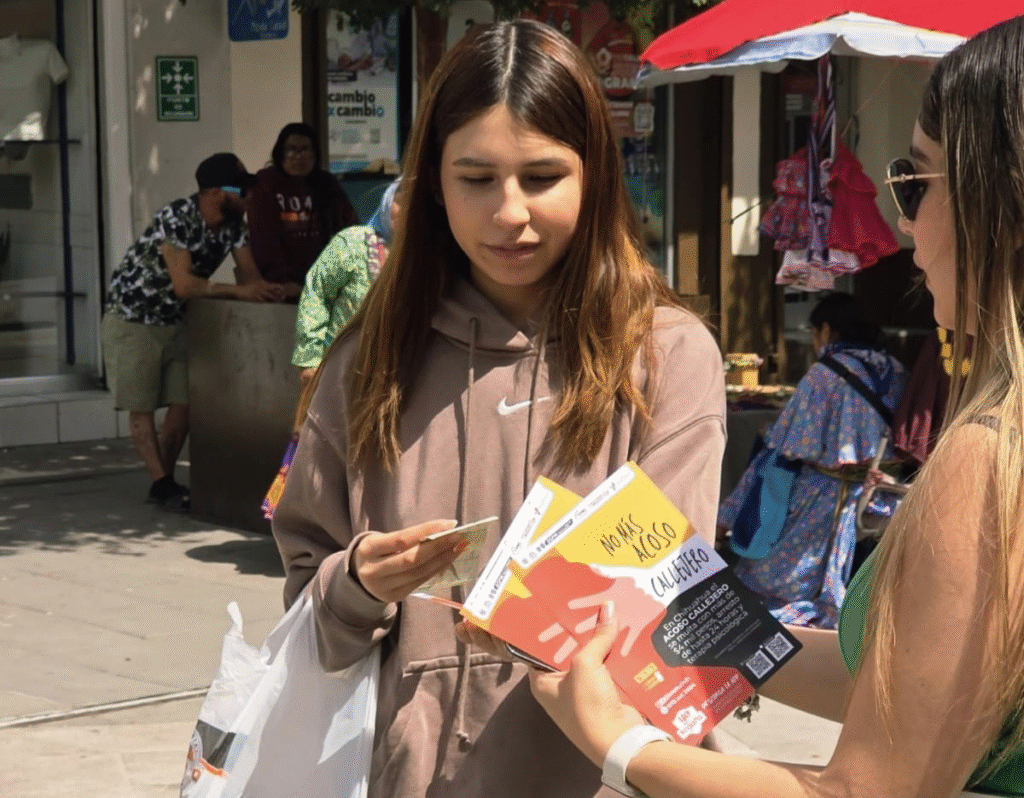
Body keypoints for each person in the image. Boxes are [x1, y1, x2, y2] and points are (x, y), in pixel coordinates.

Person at [529, 15, 1024, 798]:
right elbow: (903, 688)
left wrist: (620, 745)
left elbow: (869, 790)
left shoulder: (991, 457)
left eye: (916, 181)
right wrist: (712, 634)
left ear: (1000, 208)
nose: (903, 219)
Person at [270, 19, 725, 798]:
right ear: (431, 184)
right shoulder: (368, 361)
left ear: (594, 177)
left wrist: (545, 618)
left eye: (542, 177)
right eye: (476, 178)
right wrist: (359, 584)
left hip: (609, 774)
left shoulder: (666, 355)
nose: (509, 213)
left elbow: (670, 602)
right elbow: (309, 605)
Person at [102, 153, 283, 510]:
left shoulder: (234, 225)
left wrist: (269, 294)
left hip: (176, 320)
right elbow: (184, 284)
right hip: (134, 318)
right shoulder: (177, 217)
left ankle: (164, 480)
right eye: (240, 190)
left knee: (184, 401)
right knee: (141, 406)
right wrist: (239, 292)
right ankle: (162, 483)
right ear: (215, 192)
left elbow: (249, 277)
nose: (247, 197)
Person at [716, 291, 907, 628]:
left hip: (824, 497)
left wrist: (773, 431)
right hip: (879, 497)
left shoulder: (825, 373)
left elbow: (793, 445)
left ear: (827, 330)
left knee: (777, 581)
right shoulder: (895, 368)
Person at [291, 177, 400, 387]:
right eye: (401, 201)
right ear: (387, 203)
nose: (408, 210)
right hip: (339, 374)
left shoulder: (430, 260)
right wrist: (310, 360)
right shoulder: (353, 243)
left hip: (397, 379)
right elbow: (317, 292)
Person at [245, 122, 358, 297]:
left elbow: (348, 228)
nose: (299, 157)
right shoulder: (265, 184)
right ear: (280, 153)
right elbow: (264, 239)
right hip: (280, 286)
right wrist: (283, 281)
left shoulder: (327, 183)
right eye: (292, 150)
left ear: (315, 154)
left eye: (305, 150)